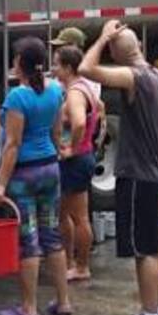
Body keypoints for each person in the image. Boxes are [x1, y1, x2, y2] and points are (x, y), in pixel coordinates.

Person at [80, 19, 158, 315]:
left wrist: (102, 38)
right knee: (157, 249)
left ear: (118, 57)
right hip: (157, 173)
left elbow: (86, 68)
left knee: (143, 250)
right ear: (141, 48)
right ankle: (155, 313)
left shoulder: (133, 77)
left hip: (137, 174)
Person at [0, 38, 71, 315]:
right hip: (50, 168)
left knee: (29, 239)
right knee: (52, 235)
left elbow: (12, 143)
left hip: (24, 173)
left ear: (20, 64)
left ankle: (29, 307)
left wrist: (0, 182)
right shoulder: (55, 91)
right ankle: (63, 301)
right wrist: (56, 152)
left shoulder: (17, 98)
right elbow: (57, 131)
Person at [54, 44, 102, 284]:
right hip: (82, 156)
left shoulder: (75, 93)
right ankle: (71, 263)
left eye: (57, 64)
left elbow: (80, 123)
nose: (53, 69)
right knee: (66, 214)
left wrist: (72, 147)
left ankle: (81, 266)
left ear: (68, 67)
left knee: (78, 217)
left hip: (76, 159)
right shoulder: (84, 87)